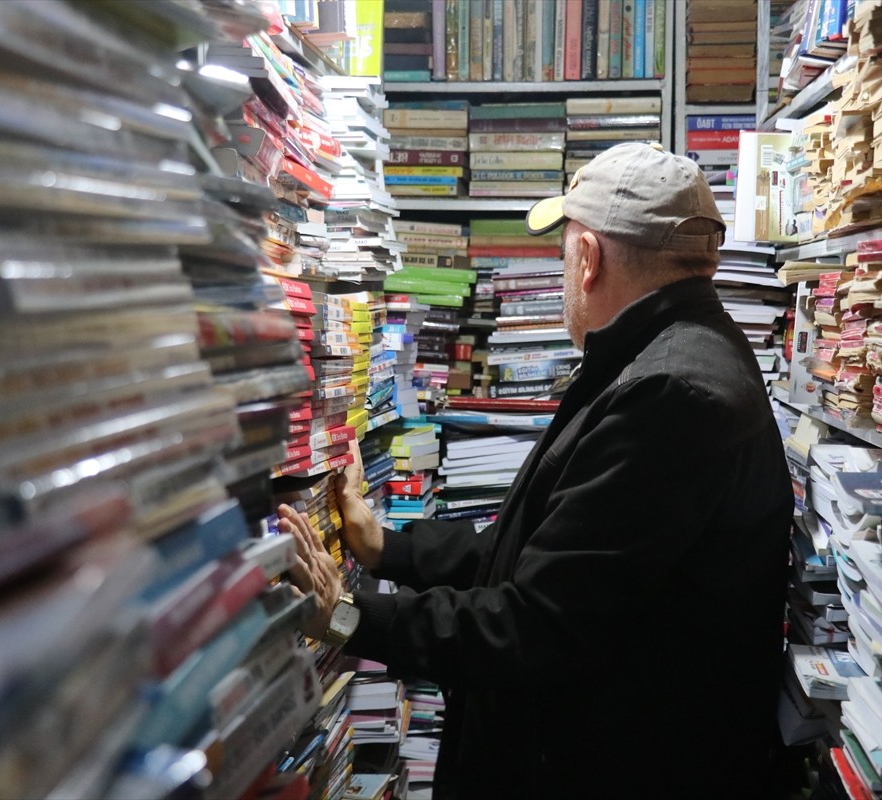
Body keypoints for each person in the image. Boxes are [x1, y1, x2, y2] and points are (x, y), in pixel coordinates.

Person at [280, 142, 793, 800]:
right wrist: (389, 549)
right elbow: (548, 554)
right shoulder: (683, 356)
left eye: (564, 250)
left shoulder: (672, 392)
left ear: (588, 259)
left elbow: (539, 624)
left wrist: (350, 618)